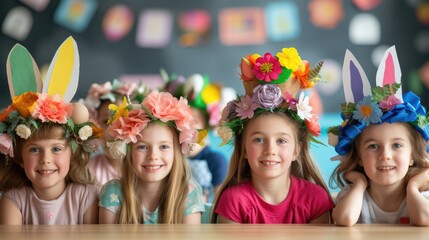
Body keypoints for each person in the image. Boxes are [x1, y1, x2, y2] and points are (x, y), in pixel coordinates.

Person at [211, 47, 334, 223]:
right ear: (244, 148)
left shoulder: (315, 200)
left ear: (296, 150)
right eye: (258, 139)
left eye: (281, 140)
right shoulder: (233, 201)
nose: (270, 150)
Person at [0, 37, 99, 224]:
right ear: (20, 158)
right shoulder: (13, 200)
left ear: (72, 153)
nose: (45, 160)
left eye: (56, 149)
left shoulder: (87, 197)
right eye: (34, 149)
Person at [328, 46, 429, 226]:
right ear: (359, 156)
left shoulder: (422, 194)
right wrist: (359, 184)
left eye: (397, 145)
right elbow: (344, 219)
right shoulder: (354, 194)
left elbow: (424, 219)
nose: (385, 155)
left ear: (413, 155)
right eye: (373, 146)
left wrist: (413, 186)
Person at [98, 90, 206, 224]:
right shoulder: (113, 192)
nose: (153, 156)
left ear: (176, 152)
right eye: (142, 147)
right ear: (128, 153)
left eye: (164, 147)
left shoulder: (188, 194)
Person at [163, 71, 235, 202]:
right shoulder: (170, 157)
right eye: (181, 120)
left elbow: (220, 202)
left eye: (195, 121)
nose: (188, 126)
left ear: (207, 129)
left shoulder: (216, 161)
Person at [82, 79, 142, 191]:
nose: (115, 129)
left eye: (124, 120)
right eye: (107, 122)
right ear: (95, 124)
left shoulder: (144, 169)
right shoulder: (88, 170)